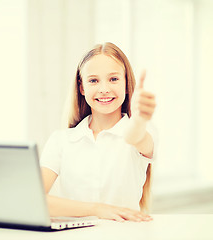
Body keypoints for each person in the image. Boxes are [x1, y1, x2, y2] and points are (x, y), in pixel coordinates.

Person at [40, 42, 157, 222]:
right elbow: (35, 199)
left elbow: (134, 136)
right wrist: (97, 209)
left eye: (113, 79)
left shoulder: (143, 130)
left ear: (126, 84)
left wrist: (140, 119)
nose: (104, 89)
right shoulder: (60, 141)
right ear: (82, 87)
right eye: (93, 80)